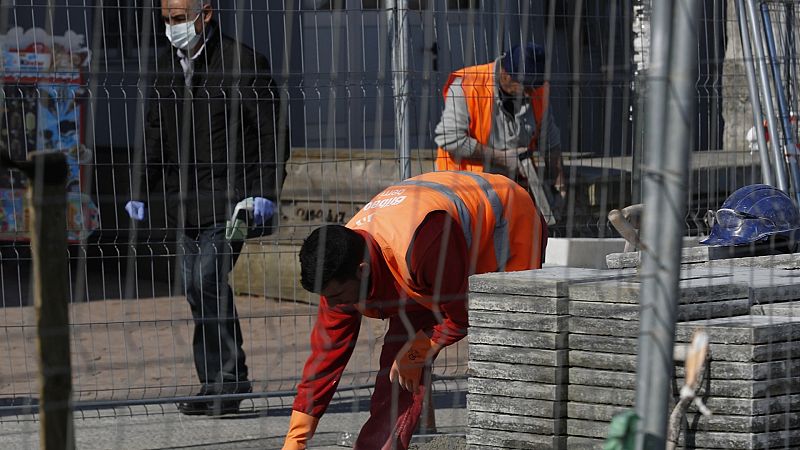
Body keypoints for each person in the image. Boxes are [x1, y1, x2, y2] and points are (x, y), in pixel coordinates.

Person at [282, 171, 547, 450]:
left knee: (508, 344)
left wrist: (419, 349)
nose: (333, 306)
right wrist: (296, 439)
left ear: (362, 272)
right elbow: (326, 357)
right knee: (399, 372)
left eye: (336, 296)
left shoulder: (423, 243)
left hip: (509, 220)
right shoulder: (339, 271)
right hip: (430, 264)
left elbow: (463, 312)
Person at [124, 0, 289, 416]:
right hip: (186, 205)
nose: (172, 27)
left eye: (179, 18)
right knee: (196, 290)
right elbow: (155, 134)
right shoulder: (166, 68)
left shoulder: (242, 62)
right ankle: (213, 382)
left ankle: (229, 381)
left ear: (206, 15)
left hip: (234, 206)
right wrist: (139, 191)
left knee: (208, 279)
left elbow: (272, 134)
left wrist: (265, 192)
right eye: (166, 20)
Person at [434, 42, 566, 223]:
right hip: (463, 189)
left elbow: (551, 143)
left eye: (535, 86)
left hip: (508, 190)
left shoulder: (537, 90)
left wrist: (559, 187)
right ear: (505, 75)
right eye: (525, 86)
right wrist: (503, 158)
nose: (531, 92)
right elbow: (450, 139)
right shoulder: (467, 85)